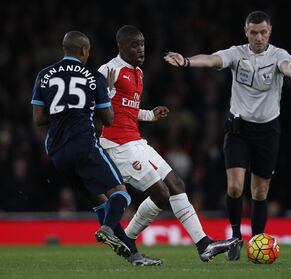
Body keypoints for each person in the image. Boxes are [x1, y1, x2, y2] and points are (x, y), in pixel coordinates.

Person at [164, 10, 291, 261]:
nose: (259, 37)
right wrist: (186, 61)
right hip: (238, 129)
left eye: (263, 32)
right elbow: (210, 60)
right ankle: (234, 239)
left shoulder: (279, 56)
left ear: (270, 31)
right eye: (254, 32)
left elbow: (287, 66)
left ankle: (258, 243)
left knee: (260, 192)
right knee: (234, 187)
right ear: (246, 32)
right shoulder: (237, 54)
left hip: (267, 131)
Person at [97, 25, 239, 263]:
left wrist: (150, 115)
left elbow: (128, 111)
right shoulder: (108, 70)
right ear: (121, 47)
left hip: (136, 141)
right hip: (118, 145)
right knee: (161, 195)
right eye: (134, 45)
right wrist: (108, 91)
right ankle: (128, 239)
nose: (141, 49)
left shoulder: (138, 73)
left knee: (176, 183)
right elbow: (97, 110)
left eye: (142, 44)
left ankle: (204, 244)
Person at [31, 31, 133, 261]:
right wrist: (103, 95)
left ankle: (133, 256)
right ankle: (106, 230)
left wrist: (63, 113)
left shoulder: (44, 75)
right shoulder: (93, 76)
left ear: (64, 49)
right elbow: (108, 119)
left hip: (57, 152)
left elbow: (38, 119)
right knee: (121, 195)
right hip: (83, 144)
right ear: (85, 51)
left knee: (99, 202)